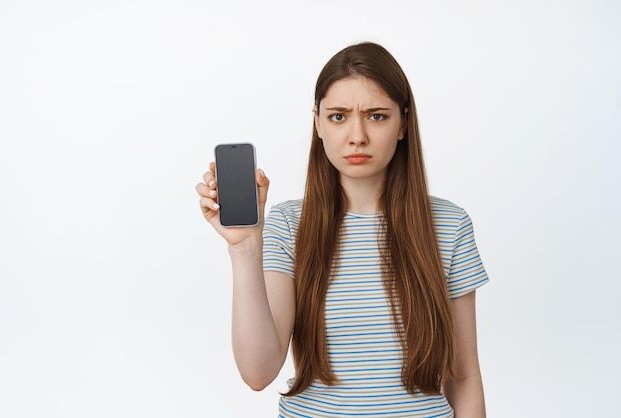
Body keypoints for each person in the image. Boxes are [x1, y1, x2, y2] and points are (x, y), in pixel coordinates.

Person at [196, 42, 489, 417]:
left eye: (377, 116)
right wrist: (244, 246)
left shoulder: (449, 225)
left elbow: (463, 376)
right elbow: (258, 372)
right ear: (317, 122)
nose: (357, 136)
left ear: (403, 122)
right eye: (338, 116)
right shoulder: (288, 225)